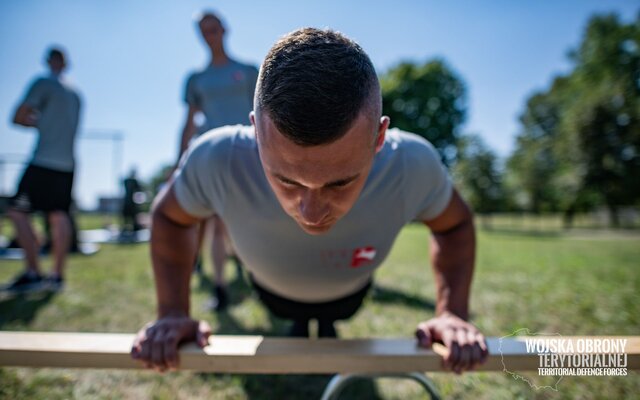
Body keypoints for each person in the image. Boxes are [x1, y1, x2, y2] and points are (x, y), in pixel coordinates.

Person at [132, 28, 488, 374]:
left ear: (378, 137)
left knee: (330, 316)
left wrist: (452, 312)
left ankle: (324, 322)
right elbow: (171, 217)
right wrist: (172, 310)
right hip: (272, 294)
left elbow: (454, 223)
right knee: (297, 318)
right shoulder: (217, 157)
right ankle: (303, 322)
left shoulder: (411, 164)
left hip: (350, 295)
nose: (311, 213)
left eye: (340, 182)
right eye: (286, 180)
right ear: (257, 132)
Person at [179, 11, 258, 311]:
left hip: (248, 152)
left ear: (224, 29)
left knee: (250, 217)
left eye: (214, 28)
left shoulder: (248, 71)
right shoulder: (197, 80)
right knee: (215, 221)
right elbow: (188, 121)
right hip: (211, 155)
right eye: (204, 30)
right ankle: (221, 288)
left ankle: (261, 278)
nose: (210, 35)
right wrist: (181, 159)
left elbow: (263, 114)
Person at [4, 46, 82, 293]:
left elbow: (17, 117)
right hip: (67, 163)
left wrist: (37, 123)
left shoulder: (43, 84)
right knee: (59, 215)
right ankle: (57, 276)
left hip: (44, 160)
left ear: (49, 62)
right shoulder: (76, 94)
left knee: (17, 211)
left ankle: (33, 271)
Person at [121, 168, 143, 234]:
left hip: (126, 201)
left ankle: (126, 227)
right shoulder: (134, 181)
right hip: (132, 201)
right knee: (132, 216)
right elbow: (139, 189)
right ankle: (134, 228)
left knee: (126, 216)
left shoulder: (126, 180)